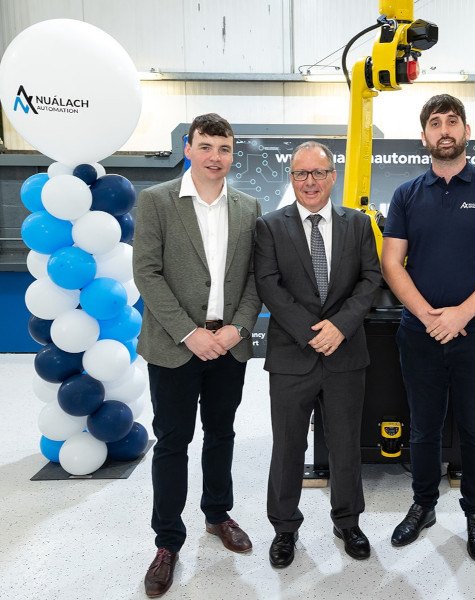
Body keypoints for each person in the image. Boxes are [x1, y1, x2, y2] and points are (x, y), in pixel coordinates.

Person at [382, 94, 475, 561]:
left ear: (466, 131)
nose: (445, 129)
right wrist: (428, 316)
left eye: (453, 121)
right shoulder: (406, 195)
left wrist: (461, 314)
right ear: (424, 136)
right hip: (419, 332)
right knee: (422, 428)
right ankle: (423, 506)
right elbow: (392, 263)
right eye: (435, 123)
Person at [133, 113, 262, 597]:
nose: (215, 157)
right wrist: (190, 333)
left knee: (221, 434)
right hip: (174, 347)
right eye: (206, 146)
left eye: (224, 148)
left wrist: (237, 330)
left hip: (228, 347)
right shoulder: (156, 201)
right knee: (172, 442)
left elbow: (254, 278)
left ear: (233, 153)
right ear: (187, 148)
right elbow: (147, 273)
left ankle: (217, 514)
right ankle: (167, 541)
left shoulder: (248, 207)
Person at [253, 141, 381, 568]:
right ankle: (284, 528)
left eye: (318, 173)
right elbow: (269, 284)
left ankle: (348, 522)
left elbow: (370, 279)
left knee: (345, 445)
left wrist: (340, 326)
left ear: (332, 177)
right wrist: (312, 333)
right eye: (300, 174)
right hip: (293, 354)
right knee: (288, 445)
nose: (309, 182)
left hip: (346, 355)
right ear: (291, 178)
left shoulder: (358, 225)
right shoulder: (270, 226)